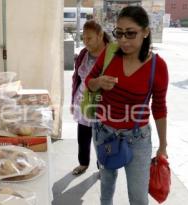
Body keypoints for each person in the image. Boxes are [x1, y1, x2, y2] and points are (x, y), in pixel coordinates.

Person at [85, 6, 168, 204]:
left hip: (137, 138)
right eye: (119, 33)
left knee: (138, 197)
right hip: (104, 133)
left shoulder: (157, 66)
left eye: (130, 33)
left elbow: (159, 108)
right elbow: (89, 82)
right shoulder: (110, 54)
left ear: (145, 32)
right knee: (106, 185)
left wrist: (163, 145)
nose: (123, 40)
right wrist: (99, 82)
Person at [71, 20, 111, 175]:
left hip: (103, 104)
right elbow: (77, 78)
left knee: (102, 139)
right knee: (83, 136)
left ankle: (103, 167)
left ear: (100, 36)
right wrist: (73, 99)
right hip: (83, 102)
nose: (85, 42)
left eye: (89, 38)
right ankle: (83, 163)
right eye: (83, 38)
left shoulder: (111, 54)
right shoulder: (83, 54)